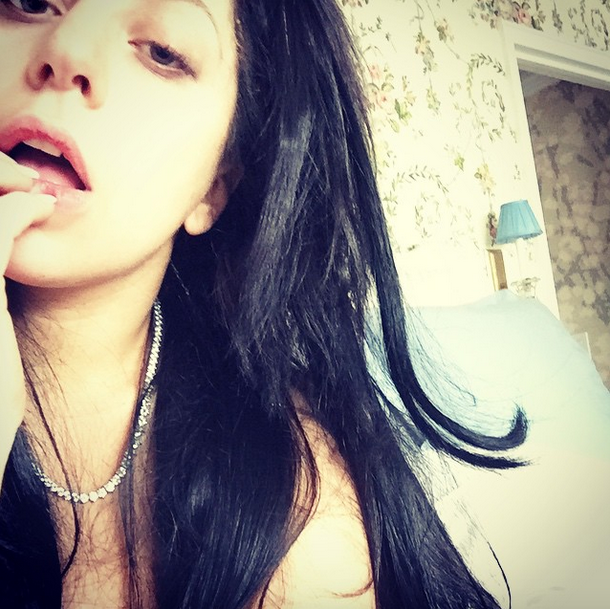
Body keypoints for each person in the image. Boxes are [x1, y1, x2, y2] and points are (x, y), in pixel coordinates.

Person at [0, 1, 528, 607]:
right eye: (31, 1)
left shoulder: (303, 502)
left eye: (163, 52)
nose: (65, 48)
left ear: (215, 188)